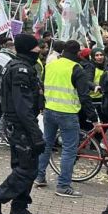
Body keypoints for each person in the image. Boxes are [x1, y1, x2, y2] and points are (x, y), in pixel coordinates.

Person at [0, 34, 45, 214]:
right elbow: (22, 106)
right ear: (28, 49)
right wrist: (36, 134)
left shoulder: (20, 66)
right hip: (21, 126)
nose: (39, 50)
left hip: (19, 125)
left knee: (24, 168)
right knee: (27, 169)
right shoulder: (21, 70)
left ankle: (19, 210)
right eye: (36, 47)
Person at [35, 40, 98, 198]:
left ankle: (39, 176)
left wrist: (42, 106)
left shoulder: (50, 65)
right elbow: (84, 96)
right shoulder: (76, 68)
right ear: (77, 53)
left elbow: (42, 87)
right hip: (68, 113)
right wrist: (94, 118)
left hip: (50, 110)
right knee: (69, 150)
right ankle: (63, 186)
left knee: (47, 144)